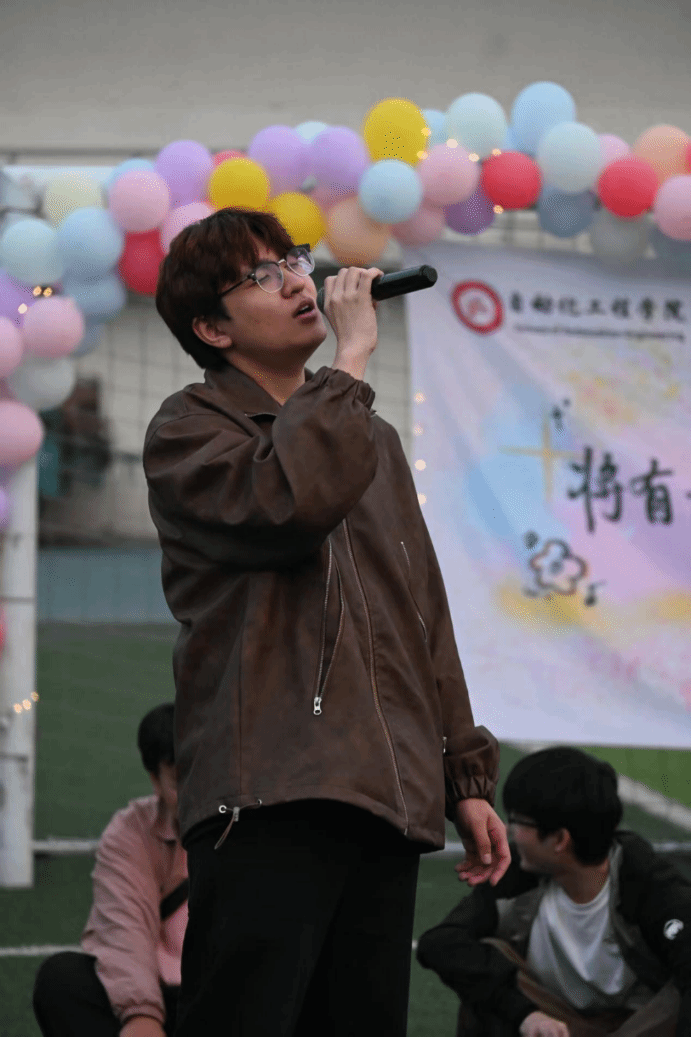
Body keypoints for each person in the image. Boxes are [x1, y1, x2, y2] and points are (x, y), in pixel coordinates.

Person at [142, 206, 512, 1037]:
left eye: (293, 261)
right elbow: (289, 505)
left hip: (382, 790)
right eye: (261, 275)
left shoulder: (370, 436)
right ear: (212, 328)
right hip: (268, 785)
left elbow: (422, 609)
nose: (295, 281)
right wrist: (348, 363)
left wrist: (463, 775)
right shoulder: (188, 429)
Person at [416, 747, 690, 1037]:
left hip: (636, 1026)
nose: (509, 830)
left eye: (518, 821)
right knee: (486, 966)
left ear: (560, 839)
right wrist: (525, 1014)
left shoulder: (646, 881)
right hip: (559, 1026)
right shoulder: (519, 874)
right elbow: (441, 942)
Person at [32, 703, 187, 1037]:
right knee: (62, 980)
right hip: (160, 995)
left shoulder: (246, 826)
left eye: (204, 776)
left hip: (224, 995)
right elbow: (123, 927)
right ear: (156, 780)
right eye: (179, 779)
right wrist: (141, 1013)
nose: (195, 793)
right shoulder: (130, 834)